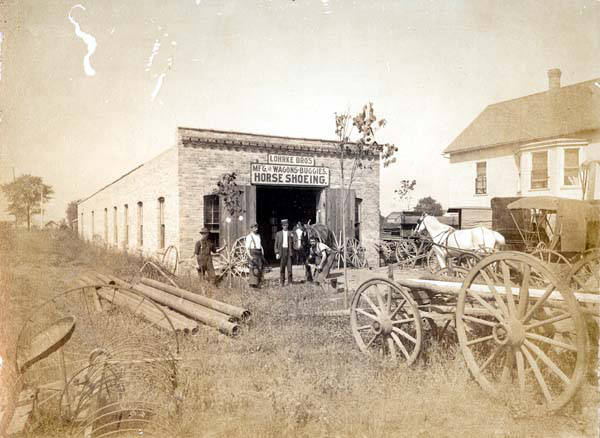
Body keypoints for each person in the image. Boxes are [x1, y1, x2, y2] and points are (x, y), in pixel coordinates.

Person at [274, 219, 294, 287]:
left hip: (289, 251)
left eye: (286, 225)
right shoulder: (278, 234)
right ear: (282, 226)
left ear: (288, 225)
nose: (285, 226)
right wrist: (277, 253)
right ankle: (282, 282)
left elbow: (295, 240)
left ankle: (290, 282)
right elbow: (275, 244)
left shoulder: (290, 233)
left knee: (289, 268)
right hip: (281, 252)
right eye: (284, 225)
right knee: (282, 268)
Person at [245, 223, 265, 288]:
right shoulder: (249, 236)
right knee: (253, 268)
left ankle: (258, 283)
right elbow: (247, 248)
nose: (256, 229)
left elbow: (260, 245)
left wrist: (262, 251)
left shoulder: (258, 236)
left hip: (259, 252)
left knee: (260, 267)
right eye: (255, 228)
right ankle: (253, 284)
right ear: (252, 228)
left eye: (257, 227)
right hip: (253, 253)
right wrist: (250, 256)